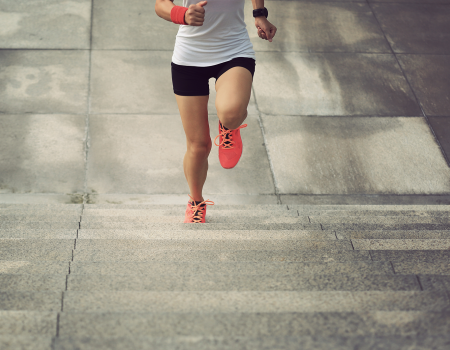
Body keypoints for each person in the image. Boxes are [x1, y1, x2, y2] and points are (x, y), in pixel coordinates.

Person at [155, 0, 277, 223]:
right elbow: (160, 4)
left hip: (233, 50)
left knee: (231, 113)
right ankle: (196, 202)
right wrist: (182, 14)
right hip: (189, 58)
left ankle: (229, 126)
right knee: (199, 146)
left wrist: (259, 13)